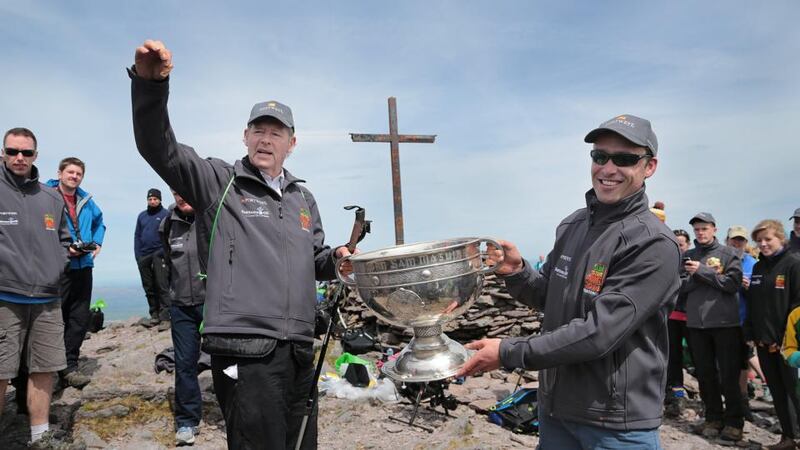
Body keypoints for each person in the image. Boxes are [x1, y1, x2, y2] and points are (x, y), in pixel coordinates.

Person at [129, 39, 353, 449]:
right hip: (245, 347)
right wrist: (150, 86)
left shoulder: (303, 199)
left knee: (301, 443)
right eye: (259, 131)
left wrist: (336, 260)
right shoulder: (218, 182)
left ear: (292, 143)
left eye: (276, 133)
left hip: (300, 346)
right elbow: (158, 149)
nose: (266, 140)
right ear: (245, 137)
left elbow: (313, 258)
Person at [457, 114, 680, 449]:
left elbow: (599, 332)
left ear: (649, 167)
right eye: (599, 156)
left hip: (614, 423)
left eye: (624, 159)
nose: (607, 168)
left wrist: (508, 352)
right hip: (556, 409)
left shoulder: (652, 243)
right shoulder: (573, 225)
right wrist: (517, 273)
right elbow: (550, 296)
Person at [0, 127, 71, 444]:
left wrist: (55, 269)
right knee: (1, 372)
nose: (19, 157)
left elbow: (64, 240)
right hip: (3, 299)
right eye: (12, 151)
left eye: (26, 152)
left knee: (45, 369)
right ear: (3, 152)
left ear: (36, 155)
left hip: (46, 299)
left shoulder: (51, 197)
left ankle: (39, 436)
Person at [682, 212, 745, 441]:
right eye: (697, 229)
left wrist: (702, 271)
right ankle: (713, 418)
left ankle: (735, 422)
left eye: (704, 228)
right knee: (705, 375)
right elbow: (680, 286)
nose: (700, 232)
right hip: (697, 325)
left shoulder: (730, 254)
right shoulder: (688, 255)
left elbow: (732, 284)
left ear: (715, 229)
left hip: (725, 323)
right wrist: (695, 274)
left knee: (729, 375)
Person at [45, 157, 105, 389]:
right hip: (57, 265)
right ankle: (48, 368)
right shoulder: (46, 195)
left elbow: (101, 222)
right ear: (59, 173)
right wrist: (63, 248)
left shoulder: (86, 200)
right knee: (54, 318)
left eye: (78, 174)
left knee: (79, 319)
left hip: (84, 265)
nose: (74, 177)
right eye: (70, 172)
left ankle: (69, 367)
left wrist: (97, 242)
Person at [744, 220, 800, 449]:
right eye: (759, 241)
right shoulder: (758, 267)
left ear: (781, 238)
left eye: (768, 239)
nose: (763, 244)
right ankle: (788, 437)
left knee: (795, 393)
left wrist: (788, 338)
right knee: (777, 392)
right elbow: (754, 303)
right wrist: (750, 331)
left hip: (788, 344)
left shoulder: (793, 265)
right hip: (763, 341)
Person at [160, 190, 206, 445]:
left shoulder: (210, 217)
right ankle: (187, 422)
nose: (181, 197)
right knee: (185, 364)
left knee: (227, 363)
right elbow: (167, 262)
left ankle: (237, 412)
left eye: (184, 190)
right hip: (181, 307)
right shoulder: (167, 224)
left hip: (213, 304)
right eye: (175, 192)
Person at [725, 225, 767, 417]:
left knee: (743, 362)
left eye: (741, 240)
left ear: (745, 243)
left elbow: (760, 290)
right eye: (734, 239)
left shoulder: (752, 262)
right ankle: (731, 401)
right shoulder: (719, 259)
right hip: (721, 320)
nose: (737, 243)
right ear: (727, 240)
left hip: (743, 320)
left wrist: (749, 286)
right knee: (725, 363)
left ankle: (742, 401)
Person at [134, 187, 170, 328]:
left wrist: (163, 252)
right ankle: (154, 315)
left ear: (160, 199)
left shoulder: (166, 214)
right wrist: (138, 255)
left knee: (162, 285)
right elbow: (137, 236)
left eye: (155, 199)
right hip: (144, 255)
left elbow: (169, 235)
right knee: (148, 286)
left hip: (159, 254)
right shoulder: (142, 216)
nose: (152, 201)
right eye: (150, 199)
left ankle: (166, 317)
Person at [665, 228, 691, 418]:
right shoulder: (667, 261)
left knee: (699, 359)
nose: (678, 247)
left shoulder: (692, 262)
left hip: (693, 318)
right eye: (675, 243)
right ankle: (677, 395)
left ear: (687, 245)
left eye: (681, 244)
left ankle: (709, 401)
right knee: (673, 359)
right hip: (672, 317)